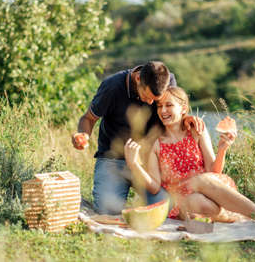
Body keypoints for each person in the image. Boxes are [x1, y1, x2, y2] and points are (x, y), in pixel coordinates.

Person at [72, 61, 203, 215]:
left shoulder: (167, 82)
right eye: (147, 97)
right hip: (113, 160)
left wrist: (185, 119)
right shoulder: (112, 87)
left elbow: (176, 109)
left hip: (150, 162)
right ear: (138, 79)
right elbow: (87, 119)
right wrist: (83, 135)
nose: (150, 103)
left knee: (168, 209)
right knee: (107, 211)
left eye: (155, 100)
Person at [124, 86, 255, 221]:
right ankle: (228, 215)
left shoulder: (196, 132)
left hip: (211, 187)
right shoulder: (157, 145)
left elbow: (213, 171)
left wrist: (222, 149)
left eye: (169, 105)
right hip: (187, 200)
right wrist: (134, 164)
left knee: (200, 180)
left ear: (183, 108)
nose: (163, 110)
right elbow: (154, 188)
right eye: (160, 106)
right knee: (197, 201)